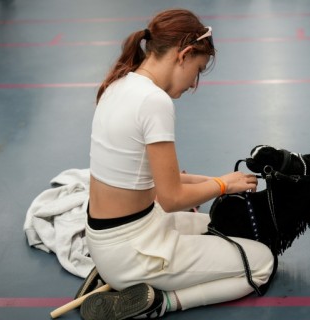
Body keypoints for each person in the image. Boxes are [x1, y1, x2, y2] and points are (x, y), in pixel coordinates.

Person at [80, 8, 275, 320]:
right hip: (133, 250)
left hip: (113, 240)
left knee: (213, 226)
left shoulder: (118, 85)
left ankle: (117, 276)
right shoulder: (154, 101)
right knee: (263, 262)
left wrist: (218, 180)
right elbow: (171, 199)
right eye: (197, 70)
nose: (194, 83)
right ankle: (162, 302)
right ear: (183, 55)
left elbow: (161, 180)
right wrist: (223, 185)